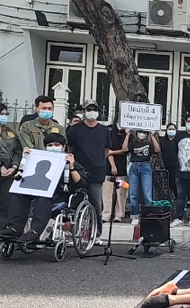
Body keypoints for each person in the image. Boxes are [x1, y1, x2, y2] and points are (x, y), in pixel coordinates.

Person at [0, 133, 87, 245]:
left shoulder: (71, 161)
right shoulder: (36, 160)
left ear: (63, 146)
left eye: (57, 144)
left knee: (43, 198)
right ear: (45, 147)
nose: (54, 147)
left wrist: (72, 167)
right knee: (18, 195)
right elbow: (21, 176)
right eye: (50, 145)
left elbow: (81, 183)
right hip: (36, 192)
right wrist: (25, 158)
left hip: (59, 196)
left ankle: (35, 231)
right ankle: (14, 228)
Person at [67, 100, 110, 243]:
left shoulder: (104, 130)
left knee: (96, 204)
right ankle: (73, 233)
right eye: (89, 109)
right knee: (75, 202)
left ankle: (96, 234)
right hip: (78, 170)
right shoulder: (74, 130)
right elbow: (70, 149)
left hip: (97, 170)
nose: (92, 111)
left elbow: (106, 151)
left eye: (94, 109)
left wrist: (97, 161)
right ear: (84, 111)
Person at [123, 130, 160, 226]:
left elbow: (157, 150)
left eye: (144, 132)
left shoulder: (149, 144)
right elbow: (124, 149)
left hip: (145, 167)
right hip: (134, 167)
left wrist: (152, 136)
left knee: (147, 193)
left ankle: (148, 215)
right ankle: (134, 215)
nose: (142, 134)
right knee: (133, 193)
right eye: (140, 132)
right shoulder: (133, 143)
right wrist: (127, 135)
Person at [0, 103, 22, 229]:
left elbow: (18, 150)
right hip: (2, 168)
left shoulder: (10, 132)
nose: (4, 117)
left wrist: (14, 166)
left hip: (9, 172)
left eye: (5, 114)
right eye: (1, 114)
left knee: (5, 204)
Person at [102, 119, 128, 223]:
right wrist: (113, 165)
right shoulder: (108, 132)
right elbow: (107, 152)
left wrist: (127, 135)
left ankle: (119, 215)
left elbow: (126, 150)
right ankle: (106, 214)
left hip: (123, 168)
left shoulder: (127, 134)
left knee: (121, 192)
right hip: (108, 168)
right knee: (107, 192)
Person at [160, 123, 179, 198]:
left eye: (173, 129)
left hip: (175, 165)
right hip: (165, 165)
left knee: (173, 183)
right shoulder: (163, 141)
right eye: (169, 129)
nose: (171, 131)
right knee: (166, 184)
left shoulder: (178, 141)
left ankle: (177, 199)